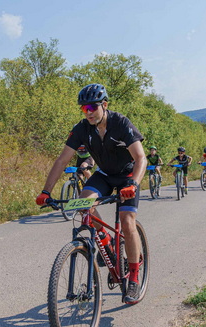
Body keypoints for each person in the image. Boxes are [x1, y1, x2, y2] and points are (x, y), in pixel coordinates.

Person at [36, 83, 147, 304]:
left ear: (104, 105)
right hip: (104, 174)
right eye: (84, 108)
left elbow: (140, 158)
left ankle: (134, 277)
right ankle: (106, 240)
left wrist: (133, 184)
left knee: (127, 221)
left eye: (92, 107)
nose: (88, 112)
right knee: (83, 204)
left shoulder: (120, 123)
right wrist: (46, 191)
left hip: (127, 175)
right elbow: (62, 160)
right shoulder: (81, 129)